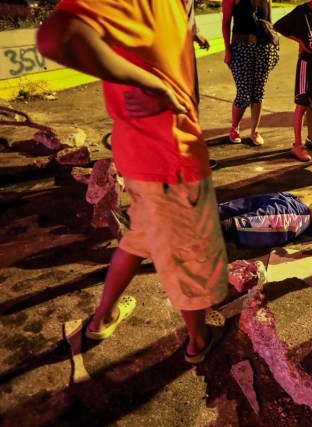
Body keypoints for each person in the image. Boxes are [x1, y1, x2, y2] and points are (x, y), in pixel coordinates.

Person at [37, 0, 229, 364]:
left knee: (139, 237)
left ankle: (102, 318)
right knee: (187, 258)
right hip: (168, 160)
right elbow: (55, 37)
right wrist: (152, 84)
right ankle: (198, 341)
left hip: (141, 154)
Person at [274, 0, 312, 162]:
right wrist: (300, 41)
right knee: (303, 103)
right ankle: (297, 144)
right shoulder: (301, 12)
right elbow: (278, 25)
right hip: (307, 64)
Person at [222, 0, 280, 146]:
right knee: (243, 93)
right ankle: (235, 127)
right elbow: (226, 22)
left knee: (258, 91)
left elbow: (269, 23)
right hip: (241, 47)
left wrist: (275, 46)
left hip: (264, 48)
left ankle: (254, 130)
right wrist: (227, 50)